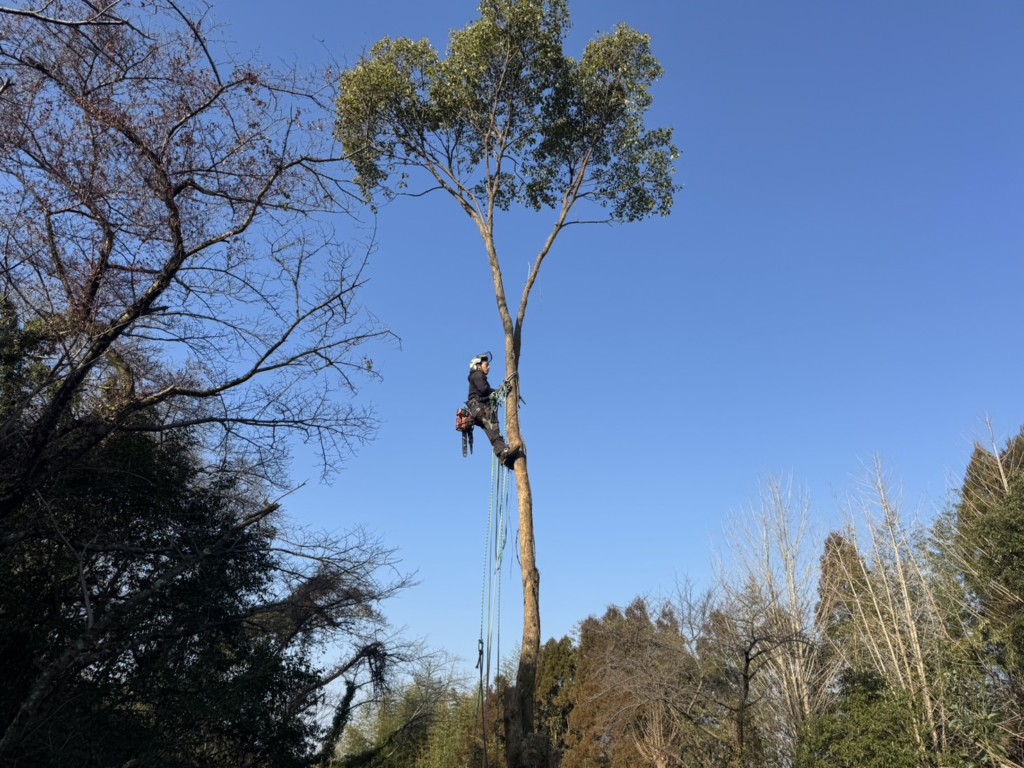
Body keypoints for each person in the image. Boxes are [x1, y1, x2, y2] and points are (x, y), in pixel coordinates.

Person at [466, 352, 520, 469]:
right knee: (494, 430)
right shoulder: (477, 375)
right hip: (479, 408)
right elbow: (485, 390)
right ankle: (504, 452)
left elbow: (485, 392)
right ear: (478, 366)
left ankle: (503, 457)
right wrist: (500, 391)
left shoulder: (477, 377)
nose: (489, 367)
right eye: (486, 364)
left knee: (493, 433)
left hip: (477, 409)